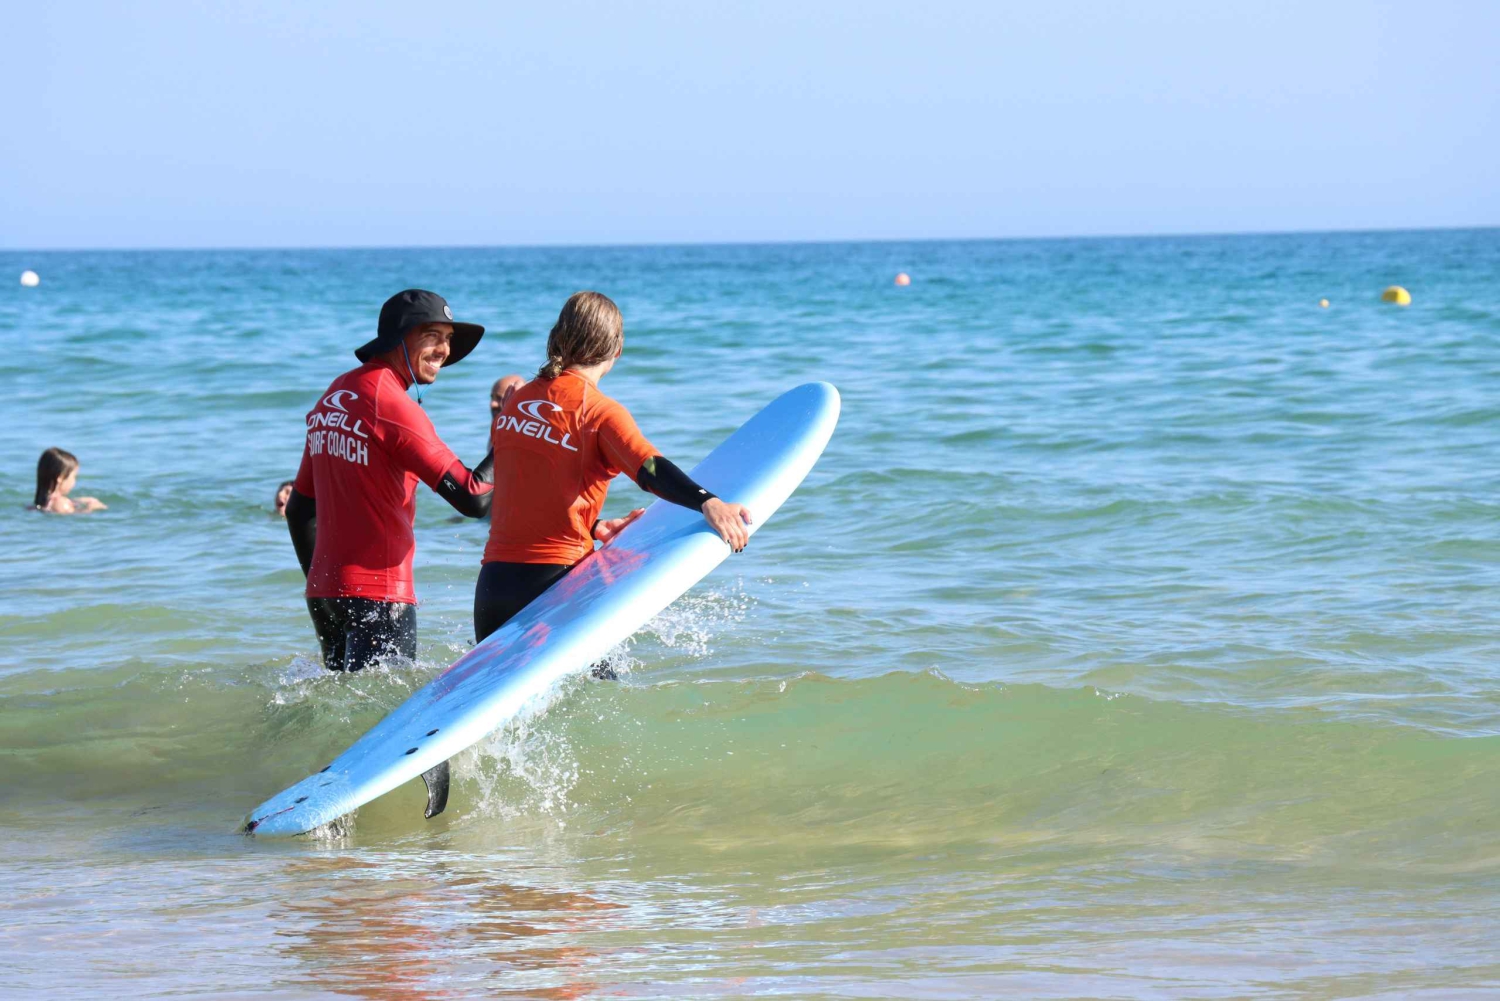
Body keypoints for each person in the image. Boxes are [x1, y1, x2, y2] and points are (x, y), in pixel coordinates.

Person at [285, 289, 497, 819]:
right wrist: (509, 437)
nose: (444, 351)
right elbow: (472, 497)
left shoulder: (336, 396)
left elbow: (298, 509)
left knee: (350, 707)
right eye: (433, 338)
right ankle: (345, 809)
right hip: (379, 592)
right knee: (393, 715)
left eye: (448, 342)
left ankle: (331, 813)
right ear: (398, 339)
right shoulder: (391, 403)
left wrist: (324, 579)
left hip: (328, 593)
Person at [474, 291, 752, 652]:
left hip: (492, 586)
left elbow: (523, 489)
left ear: (557, 336)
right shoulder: (599, 412)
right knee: (594, 688)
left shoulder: (517, 401)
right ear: (616, 350)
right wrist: (708, 502)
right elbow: (650, 467)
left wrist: (591, 526)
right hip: (552, 586)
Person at [31, 448, 106, 514]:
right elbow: (73, 515)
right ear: (60, 478)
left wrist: (79, 500)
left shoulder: (41, 501)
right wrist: (91, 508)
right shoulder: (61, 504)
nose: (74, 481)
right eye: (74, 477)